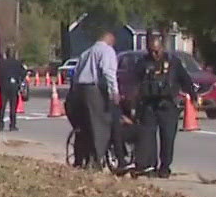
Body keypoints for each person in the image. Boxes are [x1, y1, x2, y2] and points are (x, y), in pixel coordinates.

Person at [129, 34, 196, 178]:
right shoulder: (142, 63)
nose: (154, 54)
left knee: (168, 138)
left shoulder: (173, 63)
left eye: (157, 50)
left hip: (168, 105)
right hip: (149, 105)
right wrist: (132, 103)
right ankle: (150, 166)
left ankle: (165, 167)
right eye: (151, 51)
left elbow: (185, 80)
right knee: (149, 137)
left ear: (162, 48)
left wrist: (193, 96)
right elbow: (133, 82)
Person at [68, 29, 118, 170]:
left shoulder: (86, 53)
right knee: (100, 125)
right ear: (110, 40)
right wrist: (114, 92)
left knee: (83, 127)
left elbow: (75, 73)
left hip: (78, 90)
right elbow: (108, 72)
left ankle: (80, 158)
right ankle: (97, 159)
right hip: (93, 90)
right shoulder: (106, 51)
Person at [0, 49, 27, 132]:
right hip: (14, 86)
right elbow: (23, 73)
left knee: (2, 107)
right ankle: (12, 125)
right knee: (13, 107)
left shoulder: (1, 64)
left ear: (6, 54)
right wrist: (19, 80)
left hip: (3, 86)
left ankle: (0, 126)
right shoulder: (17, 63)